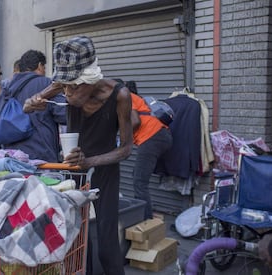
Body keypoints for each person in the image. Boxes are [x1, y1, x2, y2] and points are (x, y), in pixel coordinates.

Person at [23, 36, 133, 275]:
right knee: (78, 242)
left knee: (106, 243)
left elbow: (126, 149)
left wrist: (90, 161)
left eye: (74, 86)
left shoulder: (120, 95)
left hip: (104, 171)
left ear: (90, 79)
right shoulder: (65, 85)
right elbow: (27, 105)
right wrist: (35, 103)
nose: (68, 93)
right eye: (64, 86)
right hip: (72, 171)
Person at [0, 50, 66, 162]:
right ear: (39, 66)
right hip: (41, 159)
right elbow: (63, 114)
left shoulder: (6, 88)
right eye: (44, 67)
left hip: (11, 159)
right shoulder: (46, 84)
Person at [126, 80, 173, 220]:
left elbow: (135, 122)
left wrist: (124, 139)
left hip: (152, 137)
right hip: (160, 135)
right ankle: (145, 213)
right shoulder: (137, 99)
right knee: (137, 175)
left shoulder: (126, 97)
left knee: (139, 182)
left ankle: (144, 220)